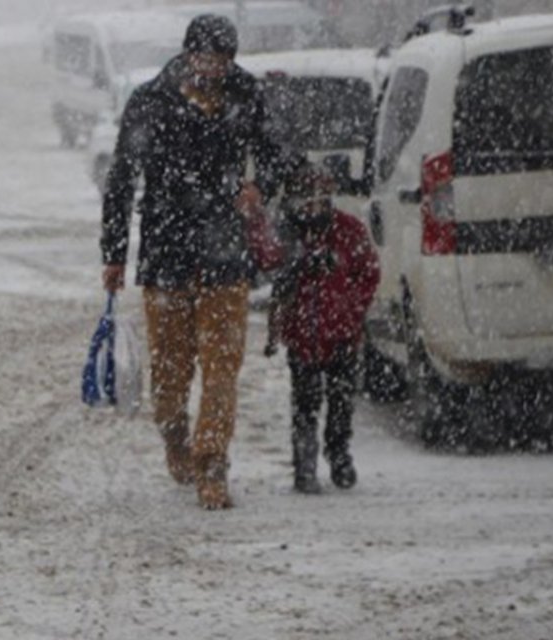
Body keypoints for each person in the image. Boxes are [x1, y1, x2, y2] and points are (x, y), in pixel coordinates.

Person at [101, 14, 294, 510]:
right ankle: (174, 437)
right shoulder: (149, 100)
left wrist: (261, 185)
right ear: (188, 55)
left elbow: (276, 154)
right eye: (205, 59)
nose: (213, 70)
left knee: (221, 367)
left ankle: (212, 463)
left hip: (225, 254)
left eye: (222, 61)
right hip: (166, 252)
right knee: (169, 376)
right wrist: (114, 254)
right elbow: (121, 180)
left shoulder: (246, 94)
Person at [264, 164, 379, 494]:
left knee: (341, 400)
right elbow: (274, 273)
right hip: (301, 336)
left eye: (319, 200)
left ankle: (339, 451)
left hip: (342, 334)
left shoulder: (349, 231)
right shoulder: (289, 236)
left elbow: (368, 274)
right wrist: (298, 265)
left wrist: (352, 309)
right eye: (305, 201)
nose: (311, 209)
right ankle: (305, 462)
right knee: (304, 403)